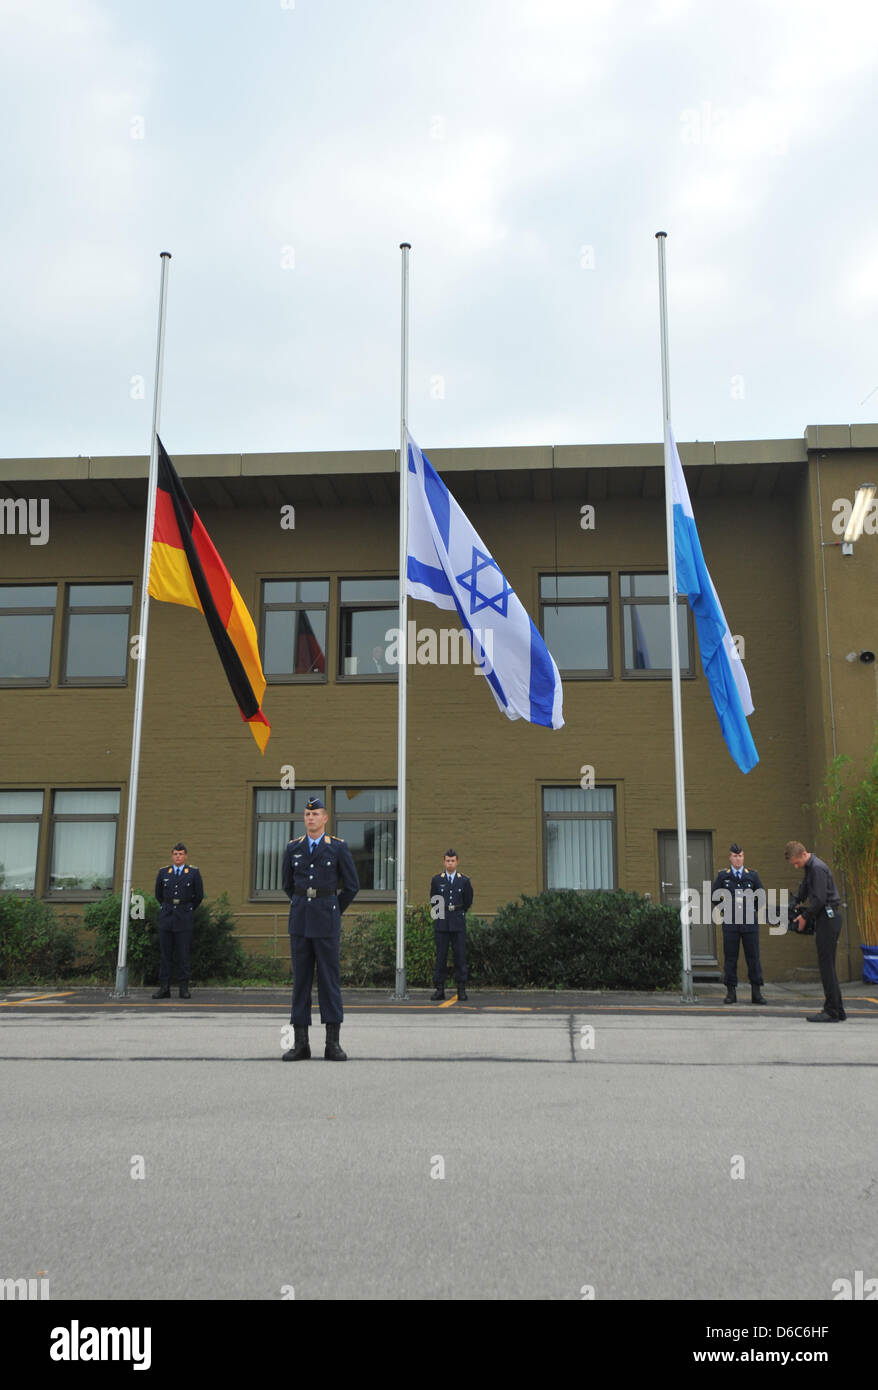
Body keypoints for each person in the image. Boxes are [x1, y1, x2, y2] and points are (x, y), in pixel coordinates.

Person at [282, 796, 359, 1060]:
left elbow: (352, 885)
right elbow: (288, 886)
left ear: (325, 818)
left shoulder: (337, 847)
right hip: (301, 920)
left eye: (315, 814)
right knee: (300, 983)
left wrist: (333, 908)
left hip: (326, 920)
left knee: (329, 982)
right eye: (306, 814)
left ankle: (332, 1043)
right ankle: (300, 1044)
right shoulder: (293, 848)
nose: (310, 818)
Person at [785, 841, 846, 1022]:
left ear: (804, 854)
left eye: (797, 862)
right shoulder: (810, 868)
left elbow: (819, 900)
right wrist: (795, 902)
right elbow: (804, 889)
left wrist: (805, 917)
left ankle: (832, 1011)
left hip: (828, 917)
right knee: (828, 967)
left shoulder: (817, 868)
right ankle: (838, 1009)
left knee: (826, 967)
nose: (796, 866)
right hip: (825, 918)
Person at [712, 842, 766, 1005]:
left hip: (749, 923)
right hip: (731, 923)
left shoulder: (752, 876)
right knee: (730, 958)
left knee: (753, 957)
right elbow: (714, 897)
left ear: (744, 857)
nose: (738, 859)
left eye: (740, 856)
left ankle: (756, 993)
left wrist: (751, 910)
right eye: (735, 856)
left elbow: (761, 897)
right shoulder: (723, 876)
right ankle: (731, 993)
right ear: (730, 857)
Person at [153, 843, 204, 999]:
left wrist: (187, 909)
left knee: (183, 954)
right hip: (167, 917)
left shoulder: (193, 873)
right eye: (175, 854)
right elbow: (158, 895)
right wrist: (168, 907)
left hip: (184, 917)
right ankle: (164, 988)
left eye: (181, 854)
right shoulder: (163, 872)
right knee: (165, 954)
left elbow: (199, 896)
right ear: (172, 855)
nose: (178, 856)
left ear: (185, 856)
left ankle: (183, 988)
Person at [430, 850, 473, 1002]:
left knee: (460, 956)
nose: (450, 863)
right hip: (442, 922)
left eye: (453, 861)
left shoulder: (464, 881)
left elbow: (467, 902)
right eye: (447, 861)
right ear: (444, 862)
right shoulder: (437, 880)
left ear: (457, 862)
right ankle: (439, 989)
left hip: (457, 921)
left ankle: (461, 990)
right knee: (440, 957)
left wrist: (458, 912)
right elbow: (434, 901)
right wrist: (438, 920)